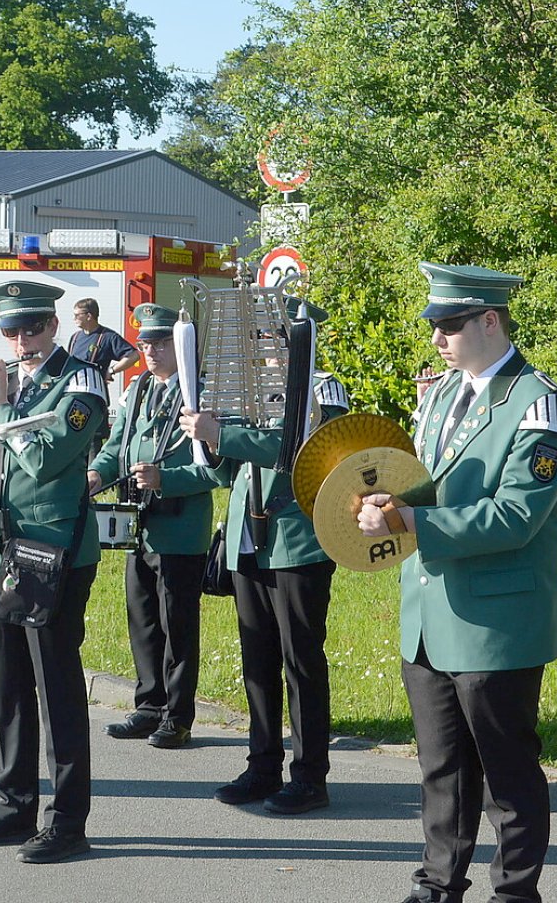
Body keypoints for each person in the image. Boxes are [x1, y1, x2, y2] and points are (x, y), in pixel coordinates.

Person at [356, 262, 557, 903]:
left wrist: (412, 520)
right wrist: (378, 504)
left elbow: (516, 515)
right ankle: (438, 882)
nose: (437, 338)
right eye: (433, 324)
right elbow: (420, 484)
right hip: (430, 614)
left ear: (491, 320)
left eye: (449, 324)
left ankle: (513, 890)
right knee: (442, 767)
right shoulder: (441, 394)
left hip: (495, 622)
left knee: (508, 769)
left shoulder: (541, 404)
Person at [0, 280, 107, 864]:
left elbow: (43, 460)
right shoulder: (12, 385)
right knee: (8, 687)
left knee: (56, 687)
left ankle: (67, 820)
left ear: (54, 326)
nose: (20, 341)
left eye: (31, 329)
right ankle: (14, 805)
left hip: (52, 553)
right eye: (10, 332)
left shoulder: (81, 384)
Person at [179, 297, 349, 815]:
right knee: (257, 660)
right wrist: (206, 444)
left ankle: (310, 775)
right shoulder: (243, 391)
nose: (264, 346)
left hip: (298, 540)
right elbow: (228, 469)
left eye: (272, 335)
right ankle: (262, 763)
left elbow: (304, 451)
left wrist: (224, 433)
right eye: (257, 337)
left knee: (300, 661)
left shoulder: (323, 388)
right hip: (247, 537)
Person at [88, 302, 217, 750]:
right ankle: (149, 704)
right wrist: (97, 476)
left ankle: (178, 716)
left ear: (181, 346)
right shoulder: (139, 388)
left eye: (160, 342)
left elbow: (219, 470)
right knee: (143, 619)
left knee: (177, 623)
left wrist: (169, 479)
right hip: (136, 524)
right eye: (144, 343)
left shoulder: (201, 394)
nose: (150, 351)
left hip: (180, 528)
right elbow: (117, 445)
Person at [68, 297, 139, 382]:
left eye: (77, 315)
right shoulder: (75, 337)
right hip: (73, 388)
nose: (74, 319)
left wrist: (111, 371)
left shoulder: (108, 337)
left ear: (88, 316)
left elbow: (134, 355)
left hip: (95, 391)